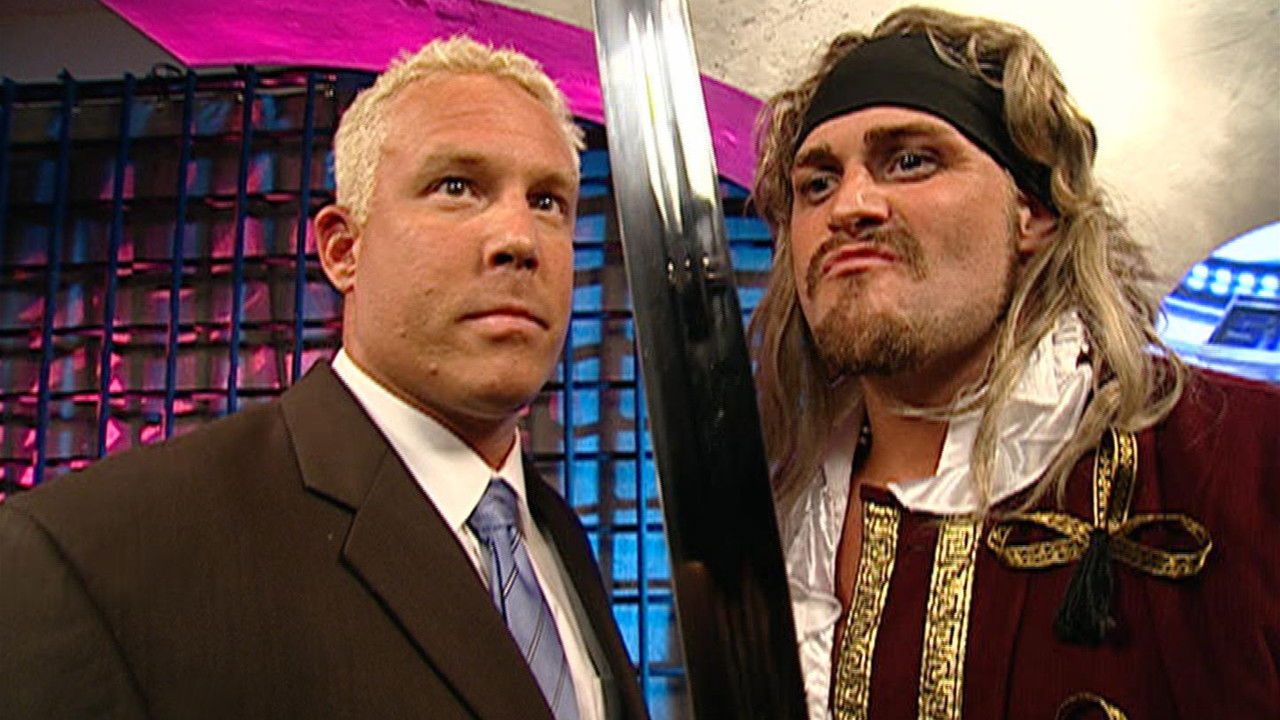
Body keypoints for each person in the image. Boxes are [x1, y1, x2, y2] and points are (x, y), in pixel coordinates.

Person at [0, 36, 647, 720]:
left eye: (547, 201)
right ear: (343, 249)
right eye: (456, 187)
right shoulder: (98, 558)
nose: (519, 238)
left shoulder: (557, 540)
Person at [748, 7, 1279, 720]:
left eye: (910, 160)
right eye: (817, 183)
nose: (850, 205)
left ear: (1033, 210)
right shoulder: (776, 529)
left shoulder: (1247, 463)